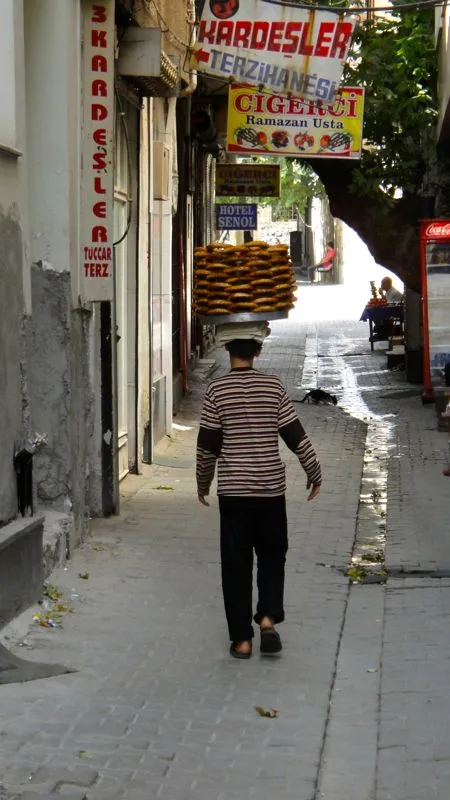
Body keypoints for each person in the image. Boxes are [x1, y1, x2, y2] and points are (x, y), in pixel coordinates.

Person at [196, 335, 322, 659]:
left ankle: (242, 641)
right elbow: (296, 436)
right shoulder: (273, 387)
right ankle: (267, 619)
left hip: (234, 493)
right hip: (269, 491)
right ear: (259, 351)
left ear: (226, 349)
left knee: (236, 565)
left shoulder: (216, 391)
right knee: (272, 557)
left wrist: (202, 483)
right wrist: (314, 472)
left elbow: (207, 446)